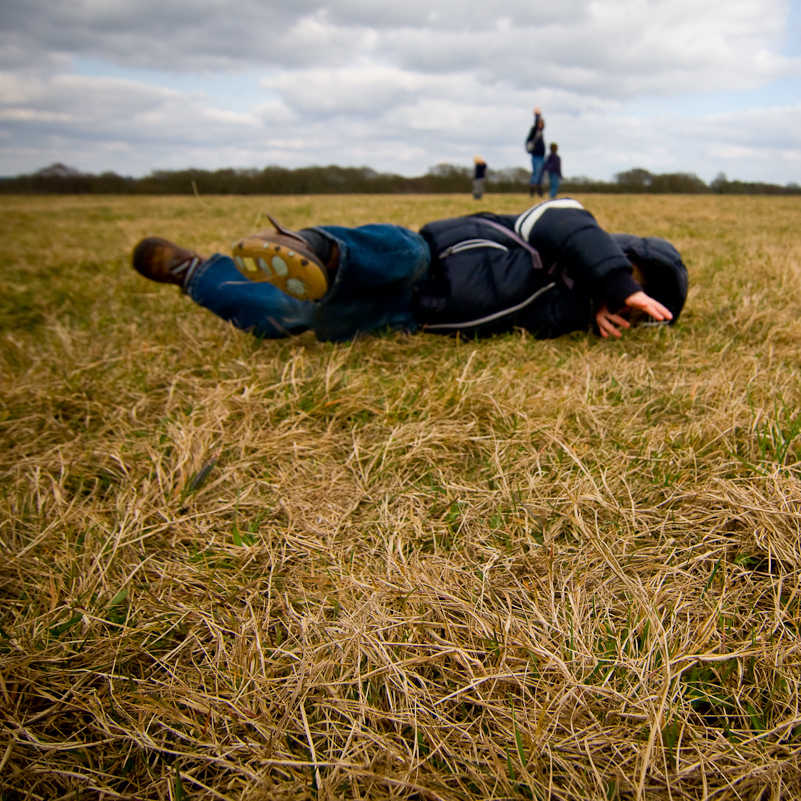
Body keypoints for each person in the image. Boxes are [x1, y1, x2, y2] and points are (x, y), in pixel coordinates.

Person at [131, 199, 687, 344]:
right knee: (395, 251)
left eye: (640, 307)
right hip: (426, 259)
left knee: (296, 317)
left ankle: (193, 272)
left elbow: (540, 315)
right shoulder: (566, 229)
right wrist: (613, 279)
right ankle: (311, 247)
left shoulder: (569, 309)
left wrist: (591, 307)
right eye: (635, 281)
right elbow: (564, 222)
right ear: (620, 252)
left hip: (408, 316)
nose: (627, 298)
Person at [525, 107, 546, 198]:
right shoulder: (535, 131)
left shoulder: (540, 132)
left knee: (540, 174)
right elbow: (536, 124)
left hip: (541, 156)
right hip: (536, 156)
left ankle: (539, 192)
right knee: (536, 173)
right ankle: (533, 191)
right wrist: (537, 115)